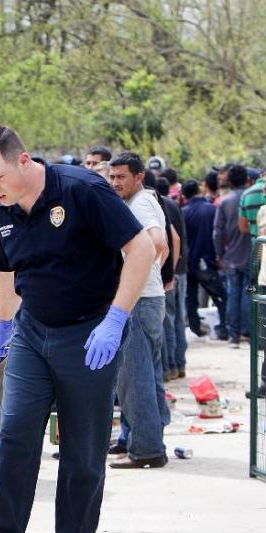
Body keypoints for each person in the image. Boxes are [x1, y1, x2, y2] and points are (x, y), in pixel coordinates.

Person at [0, 125, 155, 533]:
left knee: (83, 454)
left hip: (89, 332)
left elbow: (143, 248)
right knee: (14, 440)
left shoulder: (82, 189)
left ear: (24, 160)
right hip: (32, 332)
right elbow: (4, 269)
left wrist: (115, 320)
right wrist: (5, 325)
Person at [107, 152, 170, 469]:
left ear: (139, 176)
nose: (116, 182)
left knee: (135, 378)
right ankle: (138, 439)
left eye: (122, 177)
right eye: (112, 176)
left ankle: (146, 449)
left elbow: (159, 242)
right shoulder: (139, 202)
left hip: (140, 299)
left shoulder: (141, 203)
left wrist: (138, 278)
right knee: (146, 374)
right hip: (149, 297)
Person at [181, 179, 228, 338]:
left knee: (190, 298)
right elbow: (219, 234)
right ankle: (223, 329)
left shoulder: (184, 211)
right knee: (220, 296)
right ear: (199, 190)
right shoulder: (211, 209)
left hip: (189, 262)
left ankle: (195, 327)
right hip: (207, 261)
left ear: (184, 194)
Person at [214, 164, 252, 347]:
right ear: (247, 179)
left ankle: (233, 335)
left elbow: (217, 232)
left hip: (231, 256)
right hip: (253, 255)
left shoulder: (225, 202)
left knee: (232, 294)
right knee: (248, 293)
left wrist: (219, 254)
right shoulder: (253, 197)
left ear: (230, 180)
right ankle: (247, 332)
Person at [156, 176, 188, 380]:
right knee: (177, 318)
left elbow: (173, 238)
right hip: (180, 269)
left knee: (167, 319)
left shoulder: (157, 204)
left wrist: (168, 270)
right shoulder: (173, 204)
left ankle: (169, 368)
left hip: (168, 271)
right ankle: (179, 364)